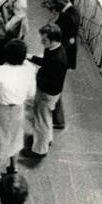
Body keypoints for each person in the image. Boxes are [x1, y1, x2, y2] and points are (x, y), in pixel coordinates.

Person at [0, 38, 36, 180]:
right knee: (15, 139)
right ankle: (13, 167)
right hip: (18, 109)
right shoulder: (29, 71)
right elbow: (31, 93)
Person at [24, 23, 67, 160]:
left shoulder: (57, 59)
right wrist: (31, 57)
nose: (42, 43)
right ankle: (47, 139)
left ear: (53, 40)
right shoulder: (54, 49)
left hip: (47, 93)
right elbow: (46, 63)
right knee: (46, 118)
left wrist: (34, 76)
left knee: (40, 121)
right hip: (51, 93)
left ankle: (39, 151)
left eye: (44, 40)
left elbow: (52, 80)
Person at [50, 0, 80, 130]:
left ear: (63, 1)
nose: (53, 4)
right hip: (63, 55)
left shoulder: (69, 16)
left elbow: (70, 40)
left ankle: (58, 119)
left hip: (62, 57)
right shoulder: (69, 11)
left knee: (56, 87)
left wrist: (57, 52)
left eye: (56, 2)